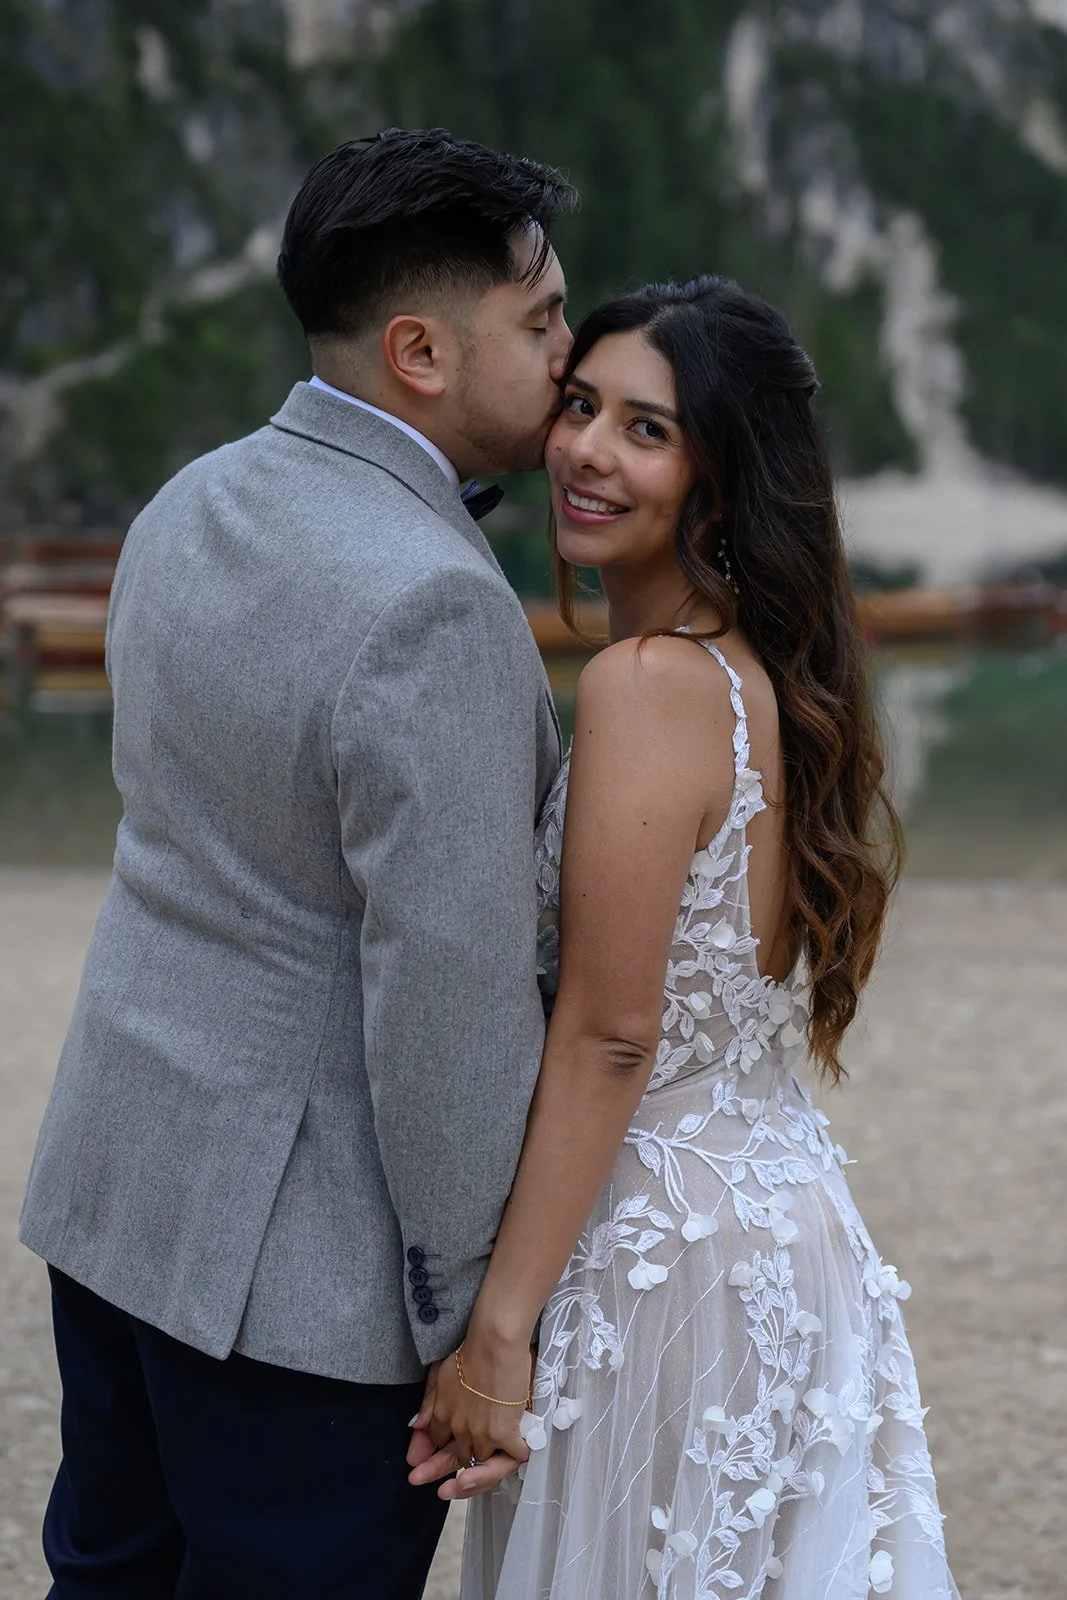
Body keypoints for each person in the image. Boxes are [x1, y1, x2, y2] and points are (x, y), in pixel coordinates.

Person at [19, 127, 575, 1598]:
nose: (570, 358)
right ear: (419, 353)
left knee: (113, 1576)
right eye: (540, 323)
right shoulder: (435, 609)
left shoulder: (190, 498)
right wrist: (473, 1315)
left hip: (119, 1183)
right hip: (297, 1278)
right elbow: (443, 992)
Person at [408, 277, 961, 1599]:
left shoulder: (648, 685)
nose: (587, 451)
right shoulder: (760, 674)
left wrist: (495, 1332)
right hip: (781, 1225)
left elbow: (610, 1032)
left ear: (720, 474)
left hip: (662, 1258)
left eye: (645, 429)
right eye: (579, 406)